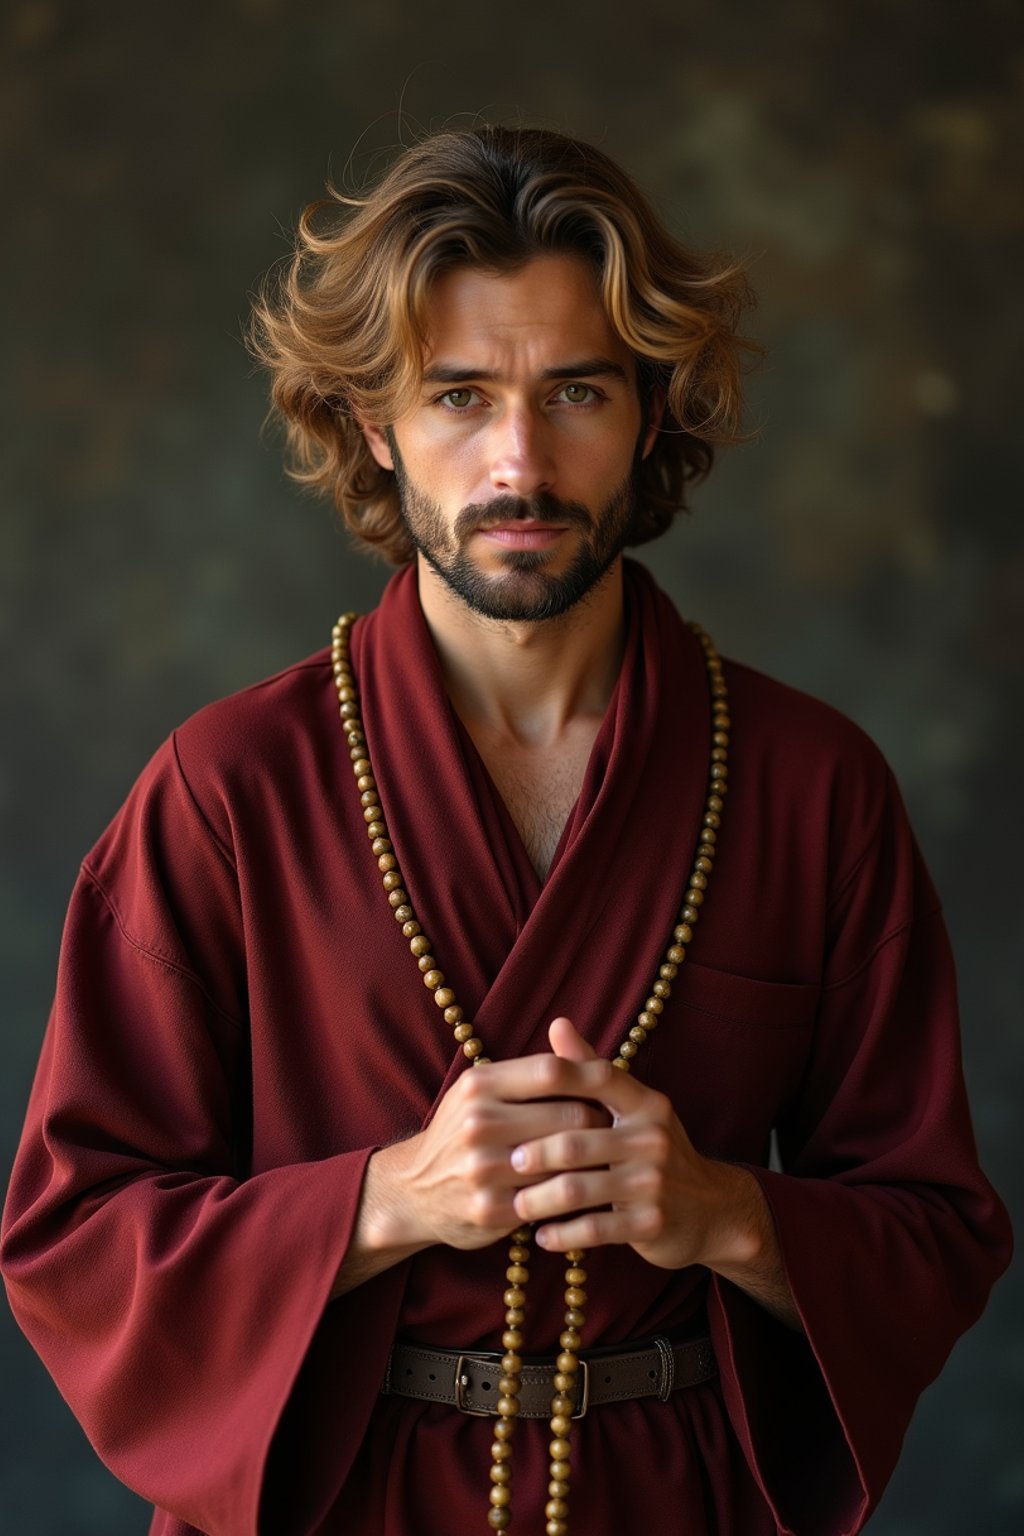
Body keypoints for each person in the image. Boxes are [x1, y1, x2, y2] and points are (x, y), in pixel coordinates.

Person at [1, 125, 1011, 1536]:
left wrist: (723, 1210)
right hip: (336, 1497)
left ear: (652, 413)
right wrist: (383, 1201)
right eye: (459, 395)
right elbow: (75, 1240)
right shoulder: (226, 788)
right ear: (373, 424)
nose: (519, 462)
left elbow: (937, 1233)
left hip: (682, 1496)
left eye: (577, 392)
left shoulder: (806, 781)